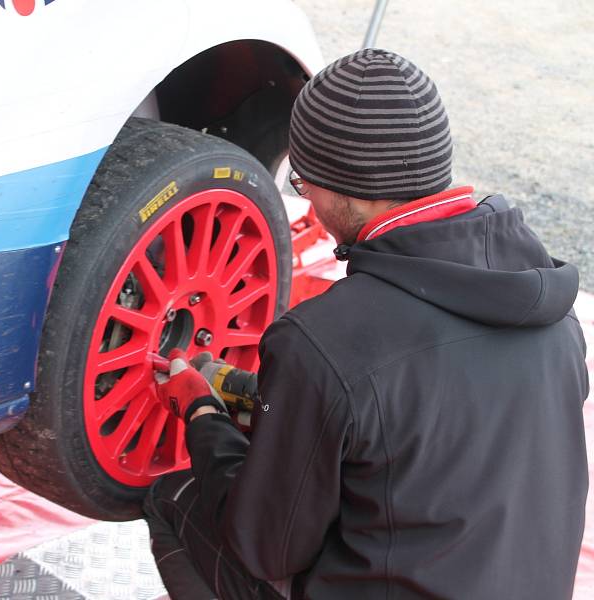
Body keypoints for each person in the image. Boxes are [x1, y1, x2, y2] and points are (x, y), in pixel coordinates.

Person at [143, 48, 589, 600]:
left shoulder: (327, 340)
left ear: (342, 187)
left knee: (173, 497)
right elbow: (410, 417)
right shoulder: (553, 314)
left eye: (303, 185)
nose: (305, 197)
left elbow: (264, 546)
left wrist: (204, 412)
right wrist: (253, 396)